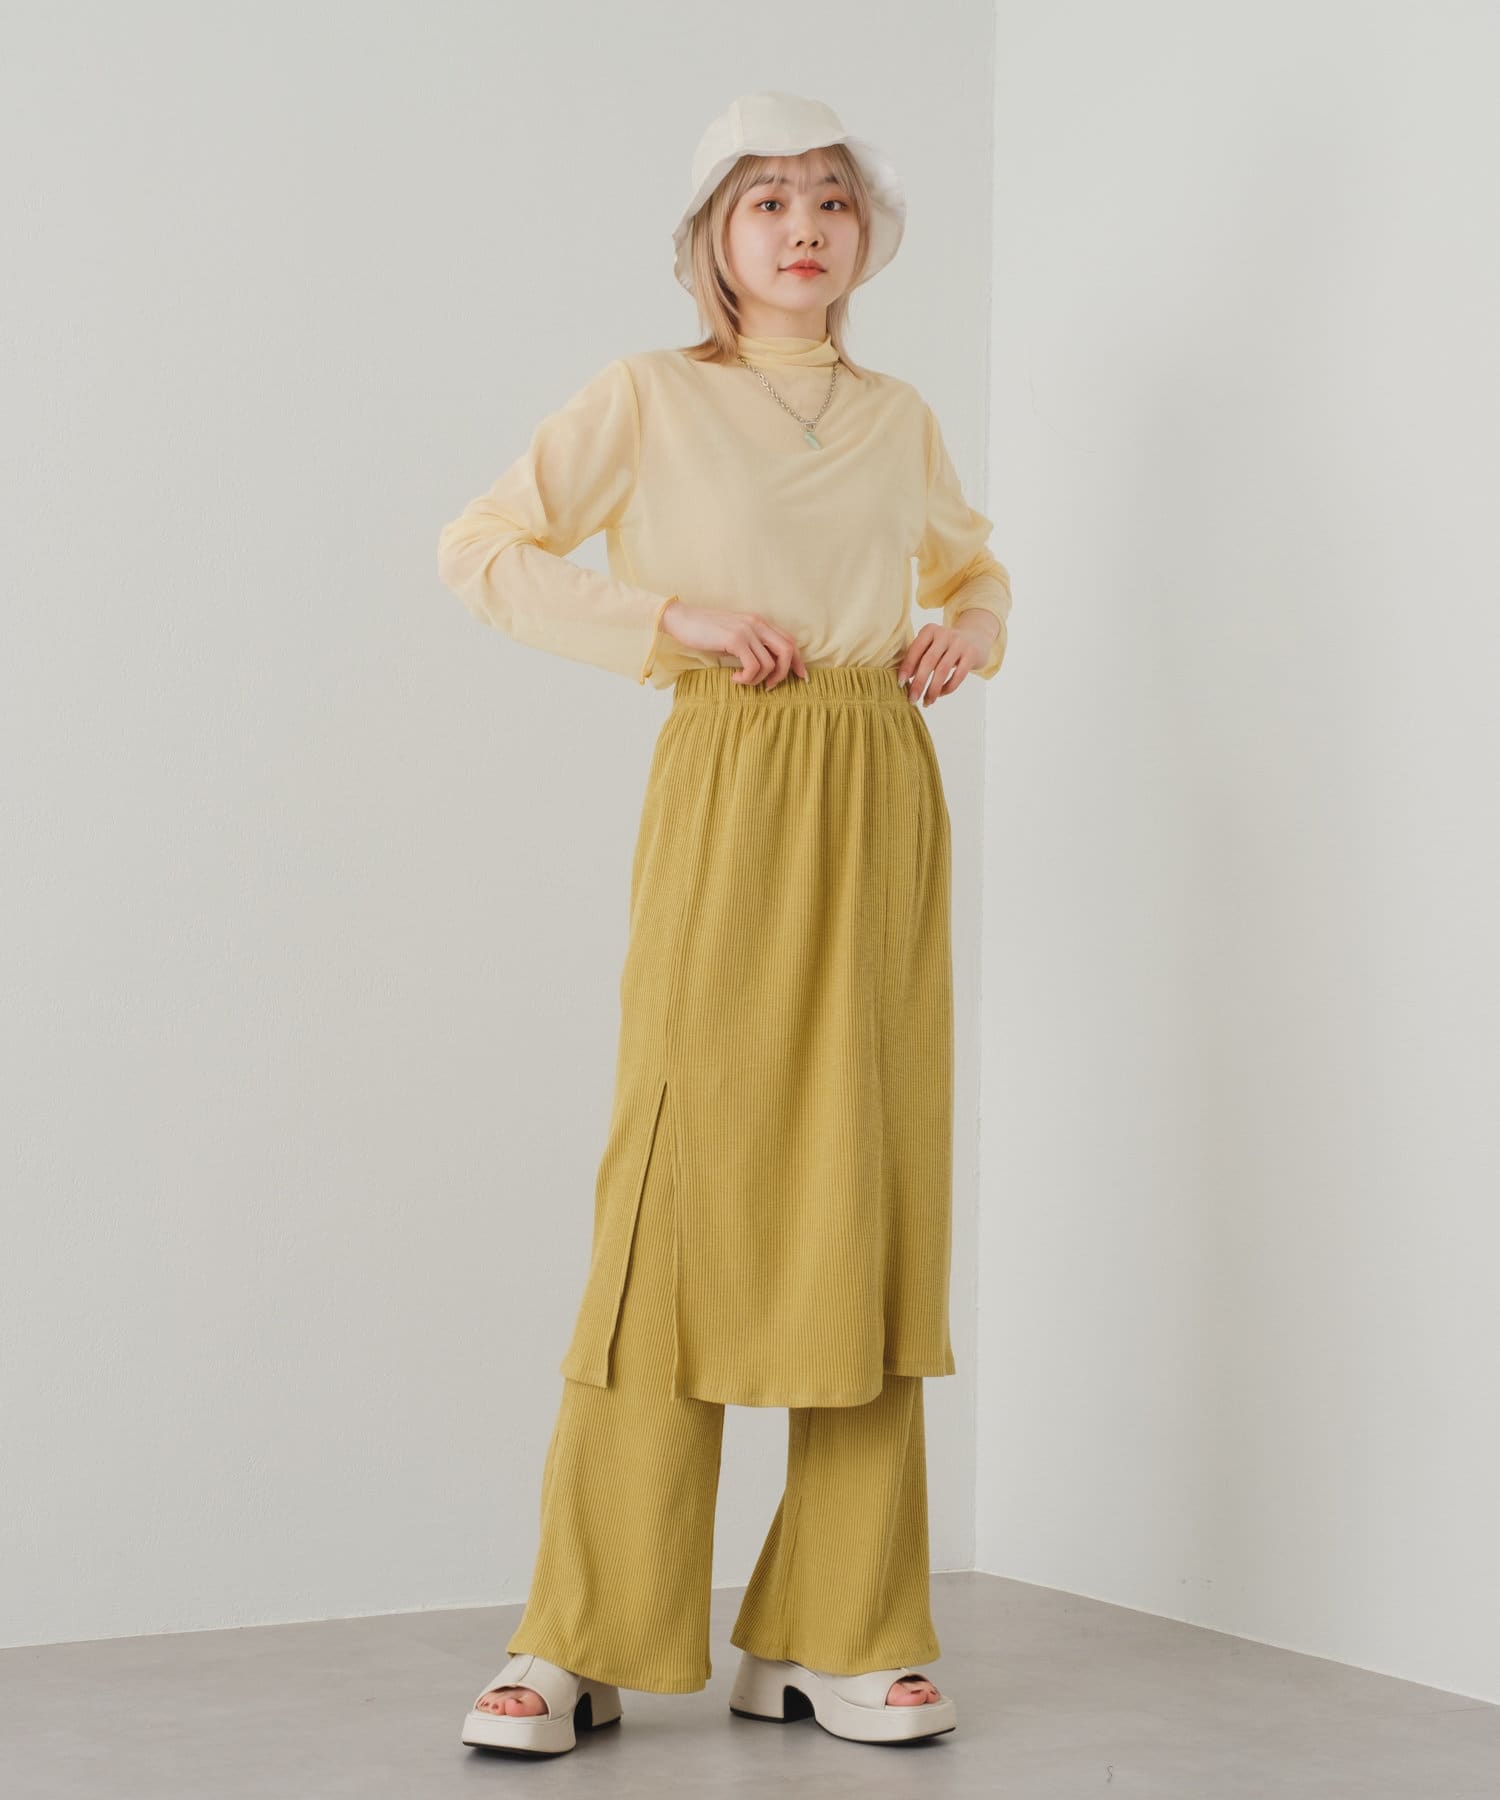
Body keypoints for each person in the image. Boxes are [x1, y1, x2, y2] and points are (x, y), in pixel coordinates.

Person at [437, 90, 1012, 1757]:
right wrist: (666, 616)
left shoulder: (897, 417)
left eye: (829, 198)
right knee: (670, 1200)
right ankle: (582, 1633)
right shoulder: (646, 396)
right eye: (767, 201)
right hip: (732, 776)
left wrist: (970, 632)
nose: (803, 226)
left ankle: (840, 1631)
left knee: (867, 1189)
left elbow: (975, 572)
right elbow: (482, 549)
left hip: (879, 783)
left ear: (864, 235)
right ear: (714, 237)